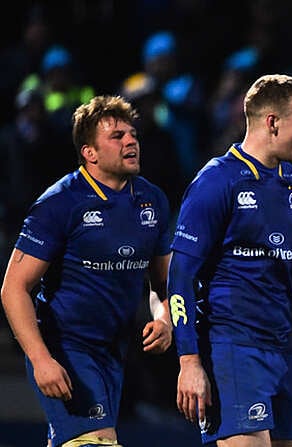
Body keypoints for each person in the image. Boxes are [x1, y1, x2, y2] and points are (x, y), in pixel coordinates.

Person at [168, 74, 292, 447]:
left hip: (280, 352)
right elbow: (180, 275)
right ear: (273, 122)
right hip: (230, 349)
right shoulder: (216, 182)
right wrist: (188, 360)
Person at [0, 95, 173, 447]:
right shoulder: (59, 203)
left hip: (115, 350)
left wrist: (165, 317)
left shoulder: (152, 200)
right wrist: (40, 360)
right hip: (66, 347)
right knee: (97, 442)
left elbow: (164, 284)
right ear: (89, 153)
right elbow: (13, 288)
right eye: (117, 136)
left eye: (133, 134)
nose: (131, 141)